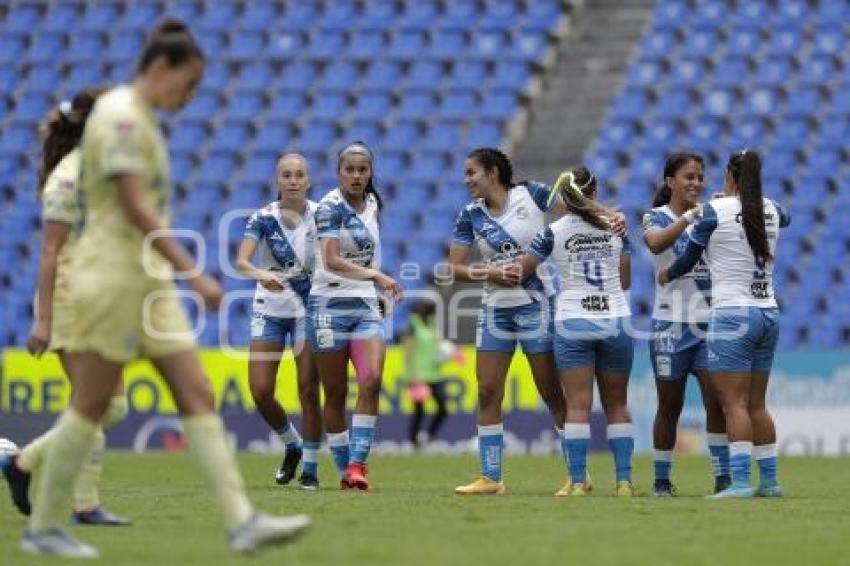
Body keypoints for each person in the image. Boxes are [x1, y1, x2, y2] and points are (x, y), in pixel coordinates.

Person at [19, 20, 309, 558]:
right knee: (92, 405)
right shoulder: (123, 117)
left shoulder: (140, 120)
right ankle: (40, 526)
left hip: (145, 279)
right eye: (188, 84)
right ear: (160, 69)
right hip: (112, 279)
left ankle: (241, 520)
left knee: (194, 391)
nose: (191, 96)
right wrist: (192, 271)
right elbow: (134, 202)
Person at [1, 89, 131, 526]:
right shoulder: (68, 180)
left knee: (109, 406)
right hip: (69, 301)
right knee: (95, 404)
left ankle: (23, 465)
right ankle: (85, 504)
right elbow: (50, 253)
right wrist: (44, 320)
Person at [660, 150, 790, 499]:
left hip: (733, 316)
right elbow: (785, 217)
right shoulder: (772, 208)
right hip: (768, 312)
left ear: (730, 177)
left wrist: (666, 272)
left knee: (733, 404)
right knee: (757, 404)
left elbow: (686, 259)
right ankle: (771, 482)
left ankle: (741, 483)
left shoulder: (714, 212)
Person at [449, 148, 569, 496]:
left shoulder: (531, 193)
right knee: (487, 391)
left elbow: (573, 210)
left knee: (550, 392)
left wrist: (608, 216)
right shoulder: (469, 215)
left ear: (493, 172)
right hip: (494, 310)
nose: (466, 179)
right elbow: (452, 268)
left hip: (536, 305)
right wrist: (490, 273)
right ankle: (491, 478)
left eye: (471, 172)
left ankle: (578, 475)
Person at [517, 167, 635, 497]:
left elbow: (519, 272)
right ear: (594, 192)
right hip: (614, 320)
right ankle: (624, 481)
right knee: (617, 405)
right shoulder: (618, 228)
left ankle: (579, 481)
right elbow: (625, 281)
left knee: (578, 406)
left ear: (563, 197)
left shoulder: (552, 232)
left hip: (573, 322)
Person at [306, 141, 402, 491]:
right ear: (339, 173)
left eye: (363, 170)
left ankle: (358, 466)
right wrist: (377, 277)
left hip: (363, 307)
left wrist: (372, 289)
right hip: (328, 307)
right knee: (333, 394)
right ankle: (345, 467)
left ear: (370, 173)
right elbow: (331, 259)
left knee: (371, 380)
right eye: (350, 169)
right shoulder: (330, 208)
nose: (357, 176)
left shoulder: (374, 204)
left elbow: (368, 257)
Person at [642, 153, 730, 496]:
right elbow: (655, 243)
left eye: (699, 177)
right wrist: (692, 216)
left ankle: (723, 477)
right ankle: (662, 479)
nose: (696, 183)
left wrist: (728, 207)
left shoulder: (713, 216)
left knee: (717, 402)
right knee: (669, 405)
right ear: (670, 182)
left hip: (708, 326)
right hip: (669, 325)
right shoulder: (655, 216)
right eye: (688, 177)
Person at [235, 153, 322, 490]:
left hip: (306, 309)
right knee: (259, 390)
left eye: (299, 174)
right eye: (286, 174)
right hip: (269, 308)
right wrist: (260, 274)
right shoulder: (262, 218)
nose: (293, 180)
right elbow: (242, 262)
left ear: (308, 180)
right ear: (277, 181)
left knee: (308, 390)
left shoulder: (321, 215)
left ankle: (311, 469)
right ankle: (292, 444)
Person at [403, 300, 452, 449]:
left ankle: (428, 436)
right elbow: (408, 351)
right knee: (419, 410)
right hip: (418, 374)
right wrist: (413, 374)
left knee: (443, 408)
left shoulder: (431, 324)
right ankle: (413, 442)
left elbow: (435, 345)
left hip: (434, 373)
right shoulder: (413, 324)